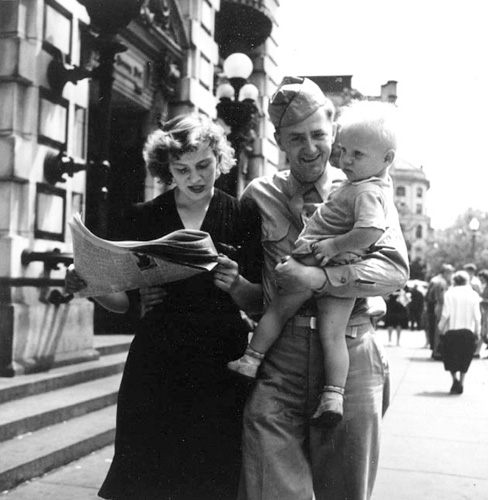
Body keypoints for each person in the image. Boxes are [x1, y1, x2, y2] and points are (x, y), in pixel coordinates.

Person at [66, 114, 263, 500]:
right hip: (158, 358)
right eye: (181, 169)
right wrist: (89, 285)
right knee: (148, 474)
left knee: (212, 473)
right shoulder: (145, 215)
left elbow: (259, 302)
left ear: (219, 160)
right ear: (166, 169)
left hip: (220, 358)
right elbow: (121, 302)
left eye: (204, 165)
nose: (195, 177)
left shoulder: (242, 214)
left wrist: (237, 283)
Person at [237, 76, 401, 500]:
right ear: (278, 141)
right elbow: (257, 283)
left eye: (318, 135)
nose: (309, 148)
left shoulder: (369, 189)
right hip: (281, 359)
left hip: (351, 356)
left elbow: (395, 270)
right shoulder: (258, 195)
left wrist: (323, 278)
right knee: (269, 485)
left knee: (345, 491)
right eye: (295, 138)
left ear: (332, 130)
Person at [438, 270, 481, 394]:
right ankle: (461, 382)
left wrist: (440, 327)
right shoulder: (474, 295)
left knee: (451, 358)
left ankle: (454, 380)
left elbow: (446, 314)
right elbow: (477, 316)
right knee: (464, 358)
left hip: (452, 331)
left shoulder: (449, 293)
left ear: (454, 281)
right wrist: (477, 332)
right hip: (468, 332)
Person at [425, 263, 454, 359]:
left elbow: (429, 296)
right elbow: (442, 298)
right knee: (439, 330)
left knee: (436, 329)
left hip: (435, 307)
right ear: (446, 272)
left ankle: (436, 351)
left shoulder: (437, 280)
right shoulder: (442, 282)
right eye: (451, 272)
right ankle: (437, 352)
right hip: (440, 308)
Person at [477, 269, 488, 351]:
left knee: (485, 329)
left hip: (486, 308)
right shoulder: (483, 285)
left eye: (482, 279)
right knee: (483, 328)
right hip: (483, 309)